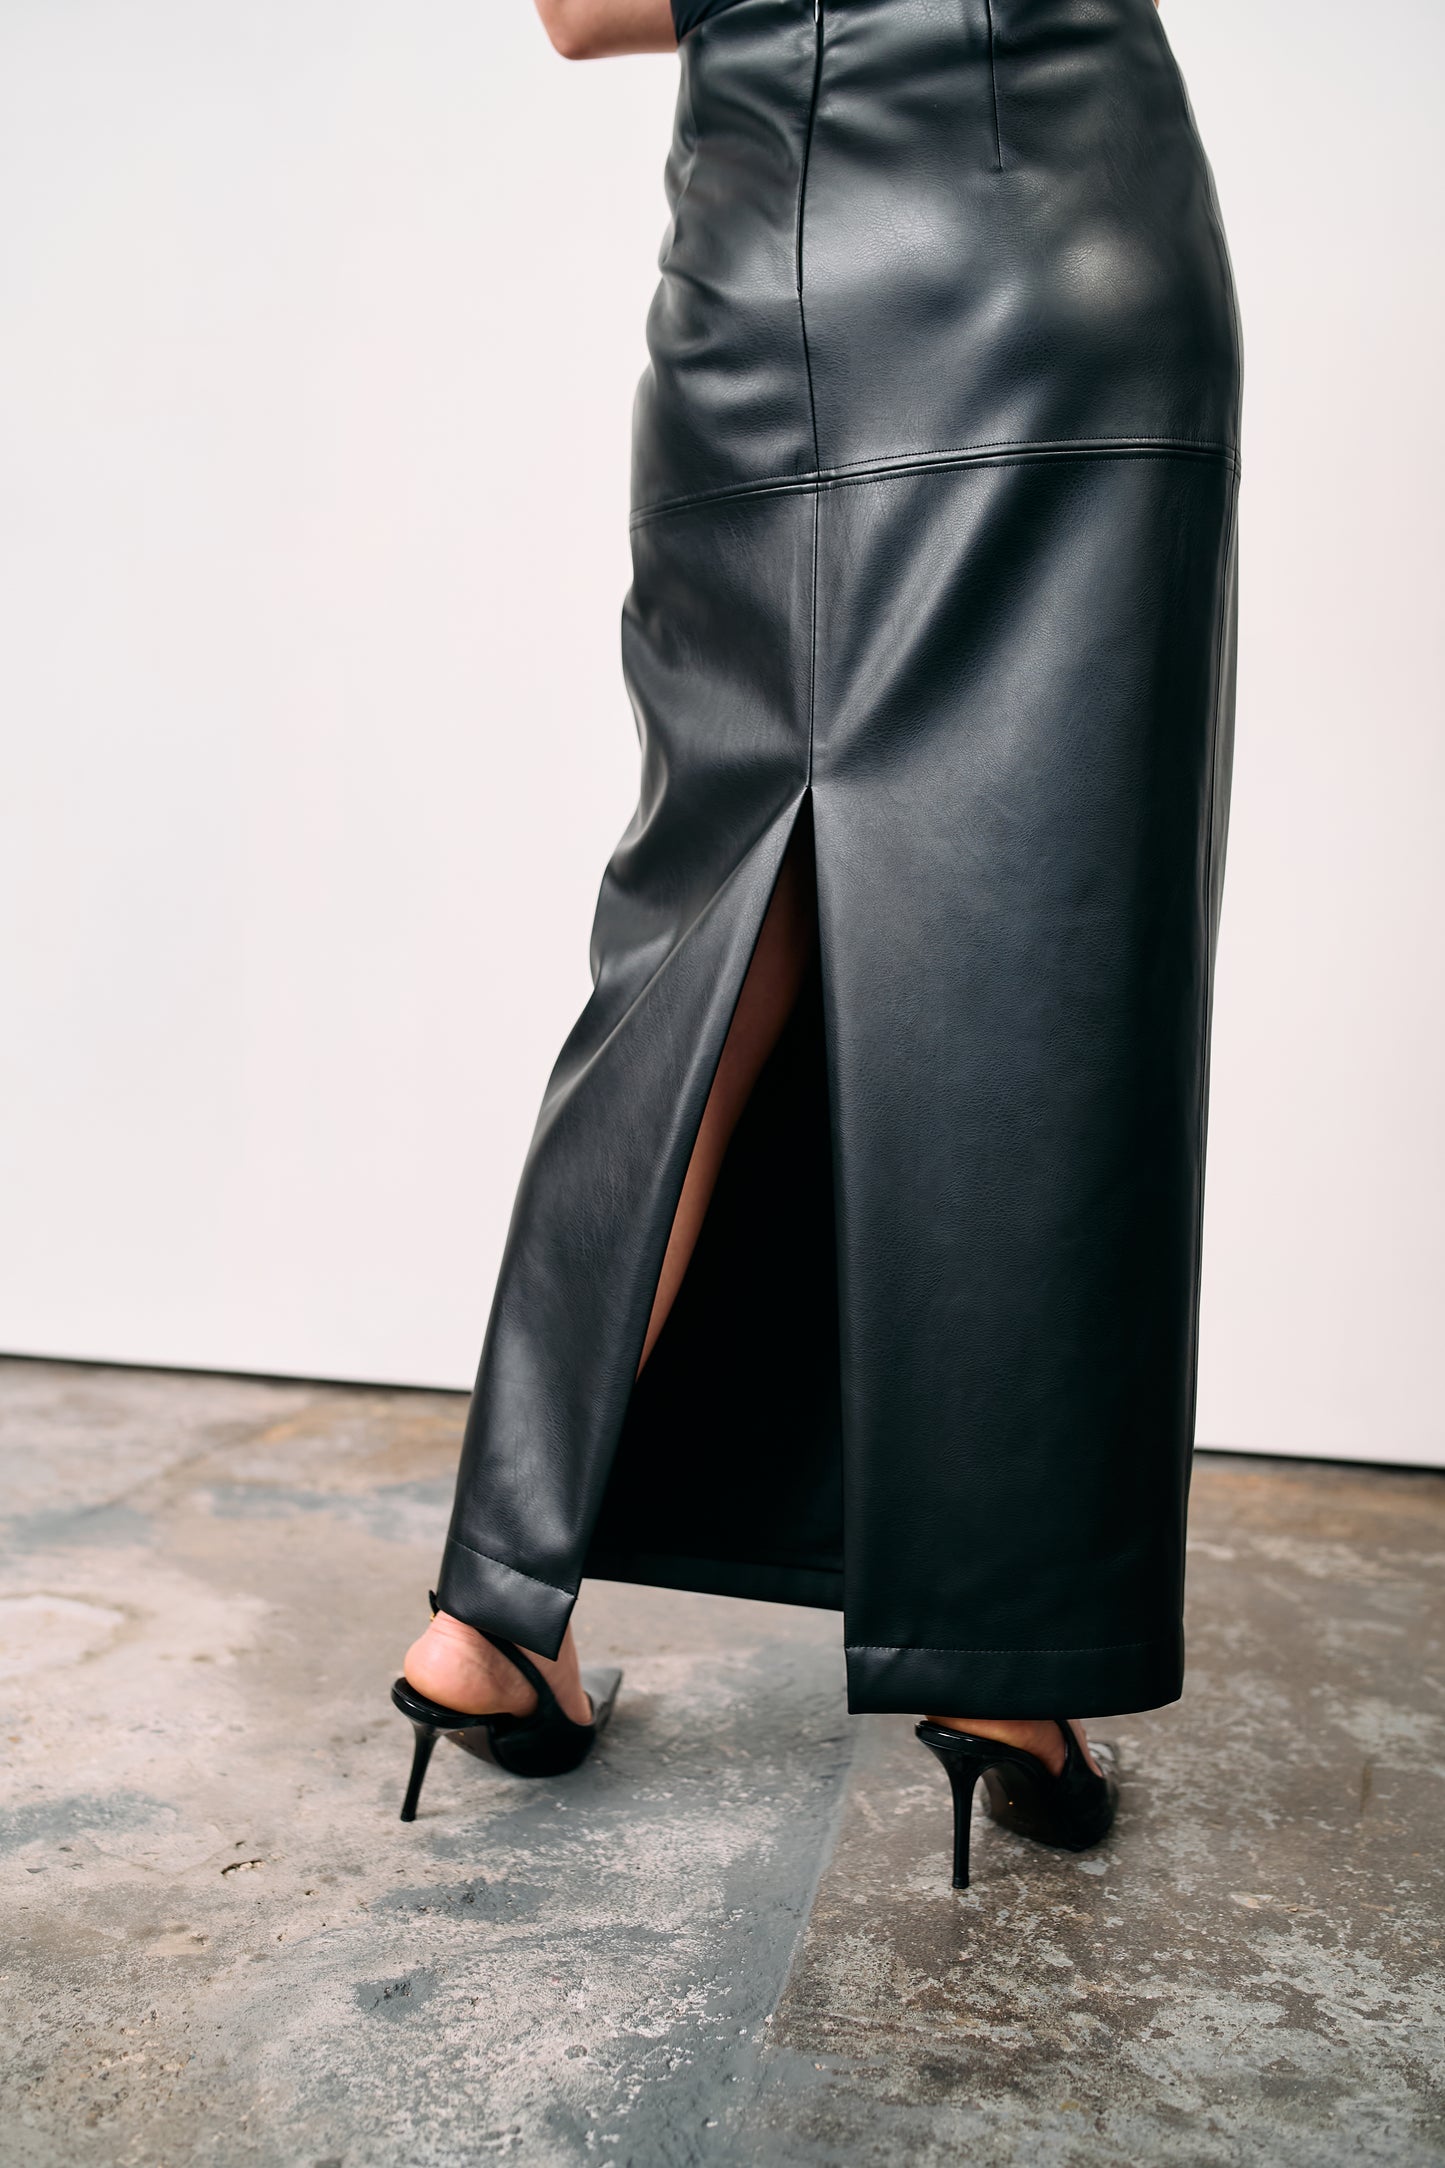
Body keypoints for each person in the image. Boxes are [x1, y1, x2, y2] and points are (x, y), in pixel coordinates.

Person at [392, 0, 1241, 1890]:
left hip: (758, 294)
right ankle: (1005, 1666)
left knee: (715, 917)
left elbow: (582, 6)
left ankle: (491, 1610)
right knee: (1035, 944)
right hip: (1050, 259)